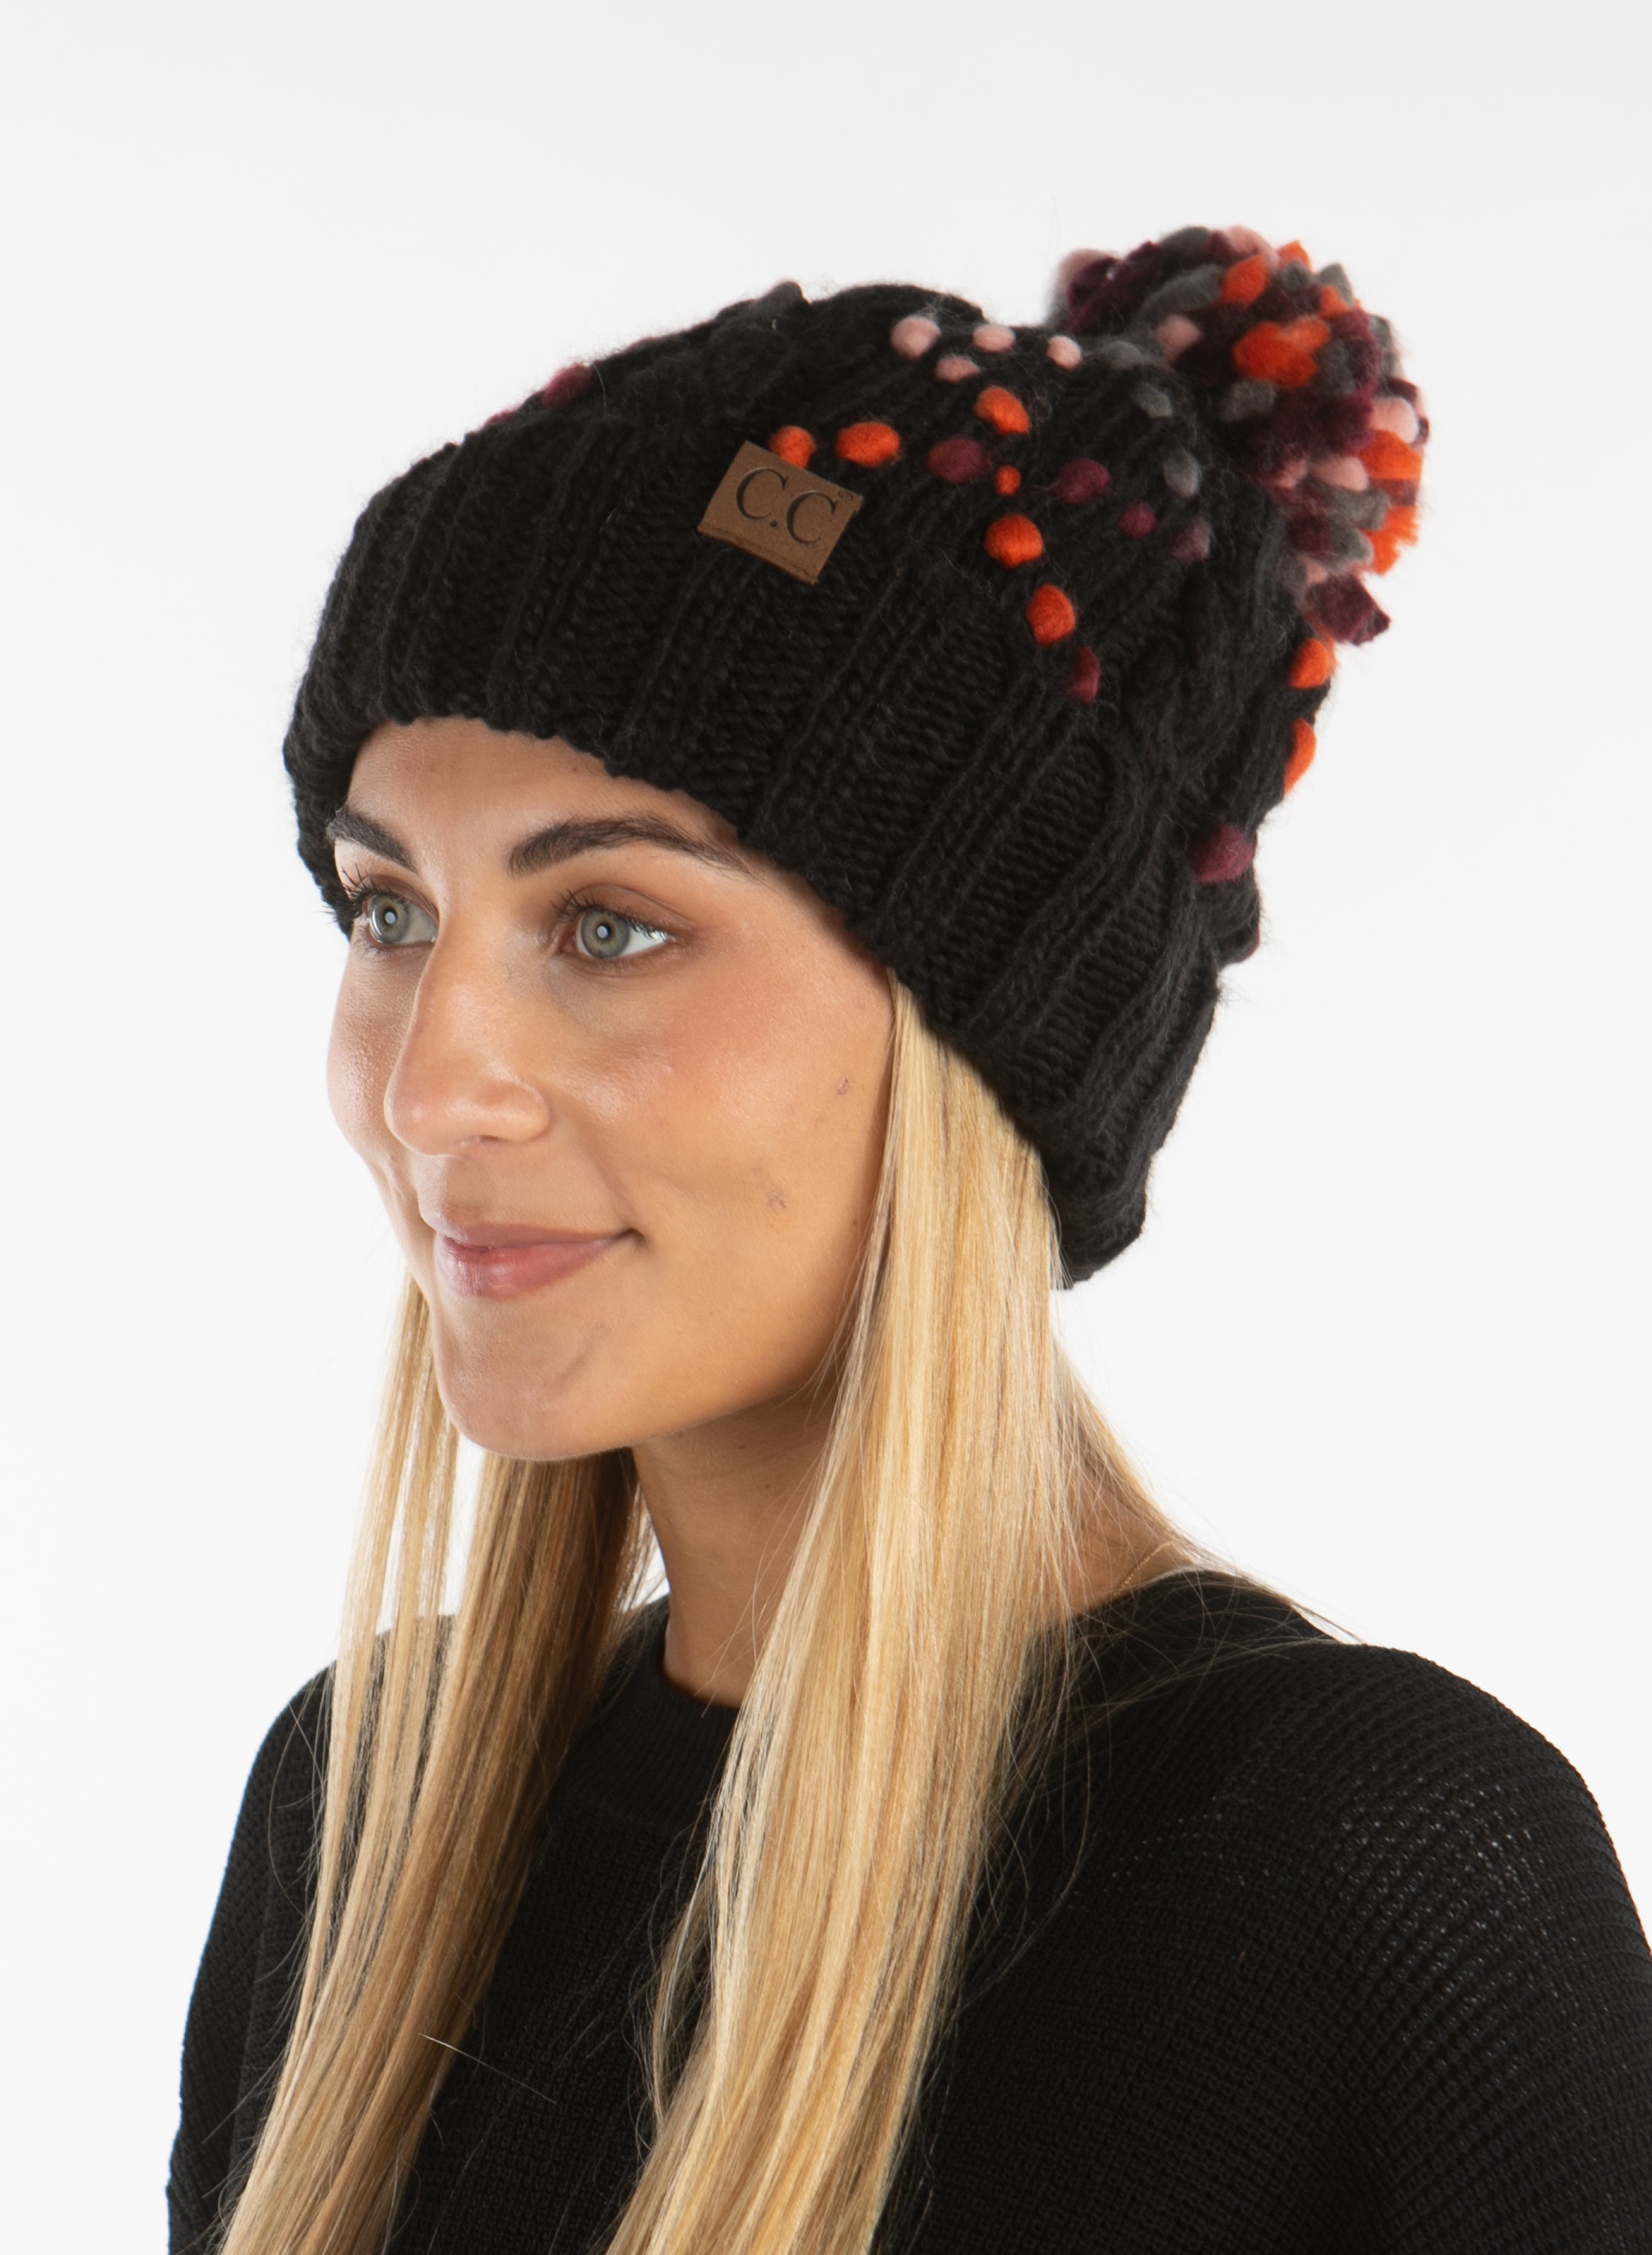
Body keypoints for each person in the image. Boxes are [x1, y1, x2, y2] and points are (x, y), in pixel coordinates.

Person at [168, 227, 1652, 2255]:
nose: (431, 1087)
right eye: (387, 911)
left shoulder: (1360, 1870)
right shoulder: (356, 1822)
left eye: (609, 925)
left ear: (983, 1044)